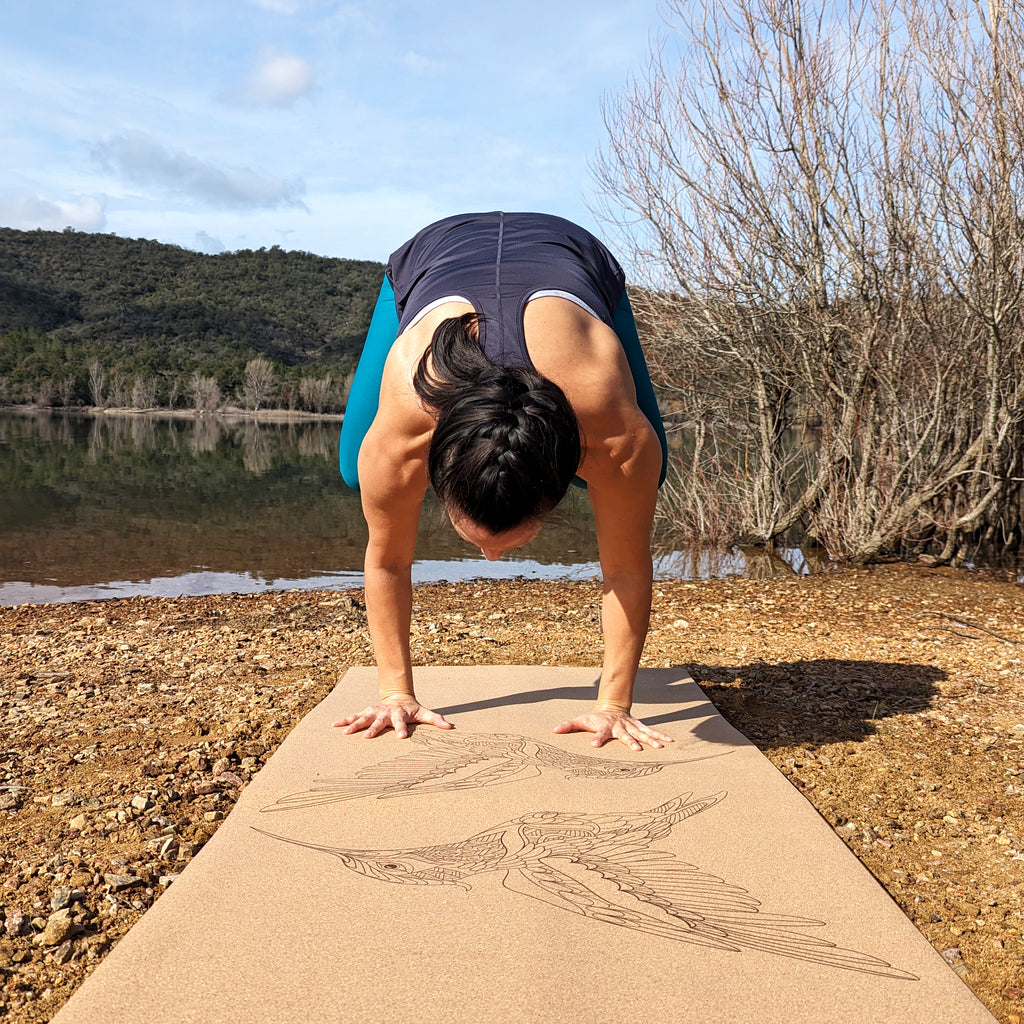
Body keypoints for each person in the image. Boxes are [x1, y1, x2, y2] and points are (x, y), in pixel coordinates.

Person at [334, 211, 670, 751]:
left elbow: (627, 568)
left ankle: (600, 475)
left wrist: (614, 705)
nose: (491, 559)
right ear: (436, 474)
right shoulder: (404, 431)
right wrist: (396, 692)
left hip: (575, 256)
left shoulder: (612, 432)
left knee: (647, 469)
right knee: (358, 467)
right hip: (434, 253)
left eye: (503, 543)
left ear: (561, 478)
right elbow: (387, 561)